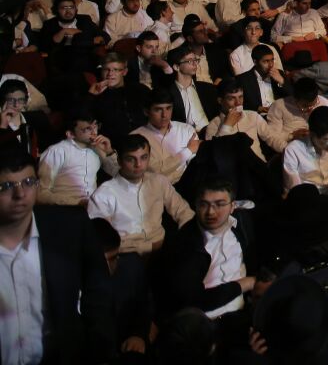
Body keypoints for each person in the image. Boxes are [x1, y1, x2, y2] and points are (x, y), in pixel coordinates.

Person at [0, 145, 115, 365]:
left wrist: (97, 348)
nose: (20, 194)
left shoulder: (69, 227)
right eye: (6, 186)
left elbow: (98, 289)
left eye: (28, 182)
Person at [160, 178, 260, 321]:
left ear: (233, 206)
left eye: (219, 204)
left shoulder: (241, 224)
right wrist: (245, 284)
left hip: (244, 312)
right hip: (204, 322)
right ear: (195, 205)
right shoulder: (183, 243)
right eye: (204, 204)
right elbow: (193, 301)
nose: (211, 212)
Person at [87, 134, 194, 254]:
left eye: (144, 157)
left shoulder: (159, 181)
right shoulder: (103, 194)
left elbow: (184, 211)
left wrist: (184, 238)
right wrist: (149, 247)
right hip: (126, 255)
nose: (138, 164)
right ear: (119, 160)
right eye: (130, 159)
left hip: (163, 249)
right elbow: (100, 240)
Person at [282, 106, 328, 196]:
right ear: (312, 134)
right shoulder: (293, 150)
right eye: (327, 139)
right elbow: (295, 191)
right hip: (307, 200)